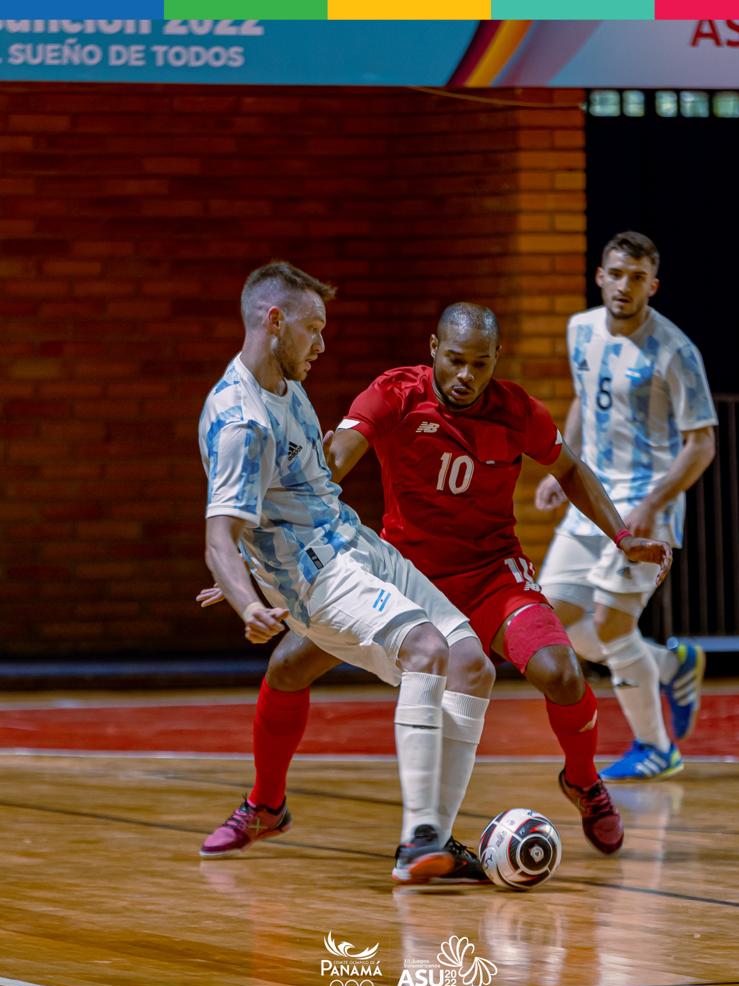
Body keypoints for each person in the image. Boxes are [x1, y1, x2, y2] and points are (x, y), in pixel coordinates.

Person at [200, 299, 673, 872]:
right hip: (406, 574)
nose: (466, 376)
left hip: (490, 573)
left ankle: (582, 780)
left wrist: (621, 536)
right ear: (433, 350)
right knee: (287, 668)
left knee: (563, 673)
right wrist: (254, 566)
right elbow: (328, 471)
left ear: (497, 359)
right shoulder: (397, 393)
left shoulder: (516, 409)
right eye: (455, 360)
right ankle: (266, 804)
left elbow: (569, 467)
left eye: (480, 363)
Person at [198, 260, 497, 884]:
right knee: (425, 649)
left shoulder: (288, 388)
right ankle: (420, 842)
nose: (322, 343)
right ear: (274, 321)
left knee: (474, 665)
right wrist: (245, 598)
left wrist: (242, 568)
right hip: (317, 579)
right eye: (314, 330)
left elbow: (278, 502)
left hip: (354, 543)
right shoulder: (240, 421)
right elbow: (218, 535)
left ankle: (433, 842)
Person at [535, 230, 717, 782]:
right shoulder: (580, 329)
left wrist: (653, 502)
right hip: (591, 497)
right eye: (616, 274)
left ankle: (657, 748)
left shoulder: (675, 350)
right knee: (553, 620)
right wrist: (559, 467)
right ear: (600, 276)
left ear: (652, 285)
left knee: (612, 624)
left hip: (646, 507)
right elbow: (583, 400)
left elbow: (702, 443)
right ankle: (668, 664)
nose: (624, 285)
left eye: (637, 277)